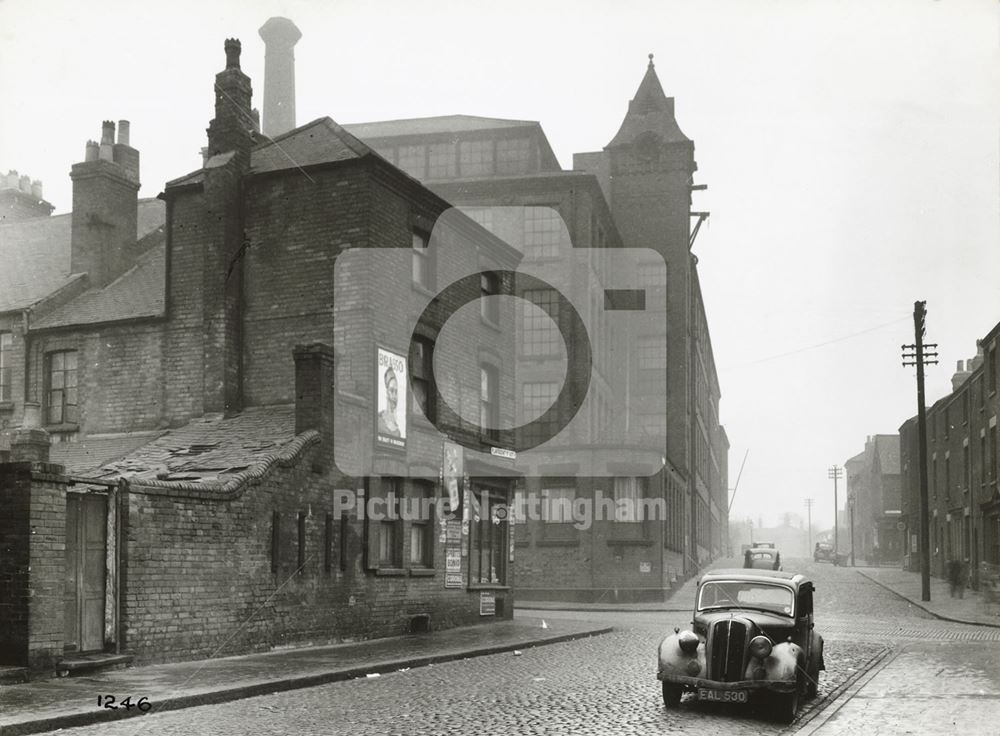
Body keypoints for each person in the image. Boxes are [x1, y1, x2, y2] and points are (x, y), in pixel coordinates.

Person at [377, 368, 401, 437]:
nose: (394, 396)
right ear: (386, 392)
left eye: (396, 392)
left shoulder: (398, 432)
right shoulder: (378, 421)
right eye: (391, 390)